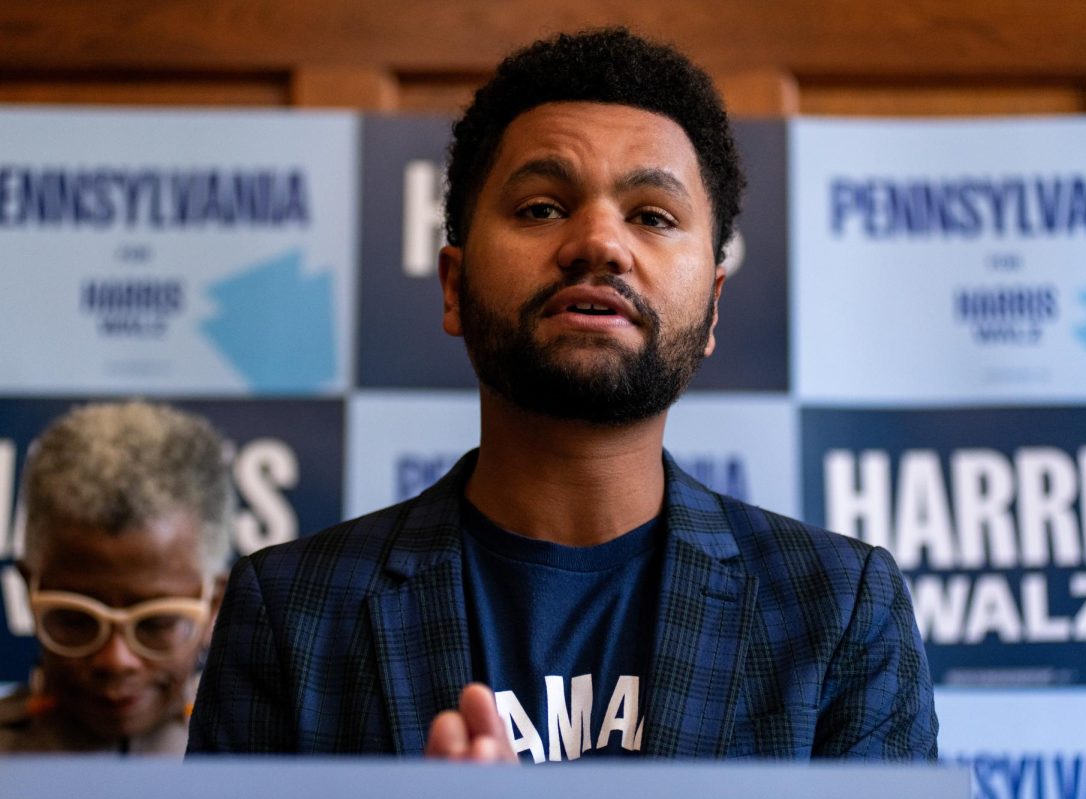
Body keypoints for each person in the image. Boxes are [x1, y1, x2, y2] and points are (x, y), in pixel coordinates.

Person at [188, 27, 938, 761]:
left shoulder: (838, 611)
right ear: (454, 287)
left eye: (652, 216)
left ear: (713, 307)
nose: (598, 243)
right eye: (542, 208)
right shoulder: (292, 613)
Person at [0, 401, 233, 755]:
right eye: (77, 619)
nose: (116, 660)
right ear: (30, 591)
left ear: (215, 604)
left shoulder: (276, 767)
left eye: (156, 623)